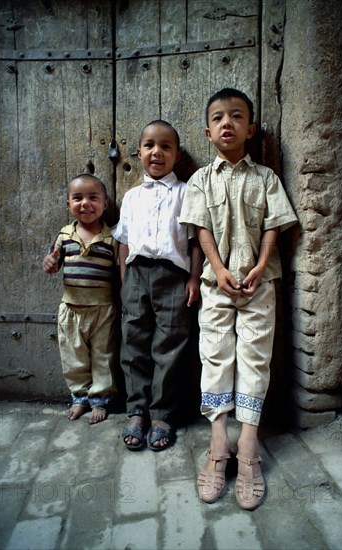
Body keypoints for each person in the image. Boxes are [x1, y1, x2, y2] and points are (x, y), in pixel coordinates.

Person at [179, 88, 298, 509]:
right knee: (216, 353)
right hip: (216, 282)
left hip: (258, 283)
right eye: (218, 118)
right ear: (208, 131)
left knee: (254, 354)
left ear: (250, 128)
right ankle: (218, 445)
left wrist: (261, 265)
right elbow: (200, 229)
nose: (227, 123)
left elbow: (273, 226)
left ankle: (247, 448)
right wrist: (221, 269)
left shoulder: (265, 178)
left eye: (236, 116)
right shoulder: (199, 180)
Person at [112, 120, 202, 451]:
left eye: (166, 146)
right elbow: (123, 241)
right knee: (133, 341)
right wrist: (124, 278)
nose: (157, 152)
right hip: (136, 274)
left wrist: (193, 278)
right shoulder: (132, 196)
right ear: (138, 152)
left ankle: (162, 413)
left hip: (173, 277)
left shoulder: (186, 194)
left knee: (170, 344)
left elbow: (195, 241)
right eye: (150, 145)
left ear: (177, 155)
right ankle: (136, 411)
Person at [42, 174, 119, 424]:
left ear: (105, 204)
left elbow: (119, 274)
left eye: (93, 198)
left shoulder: (111, 239)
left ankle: (100, 398)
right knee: (73, 356)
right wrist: (50, 263)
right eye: (78, 198)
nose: (85, 203)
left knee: (102, 356)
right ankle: (80, 397)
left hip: (102, 310)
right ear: (68, 204)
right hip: (71, 308)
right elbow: (53, 265)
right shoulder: (64, 236)